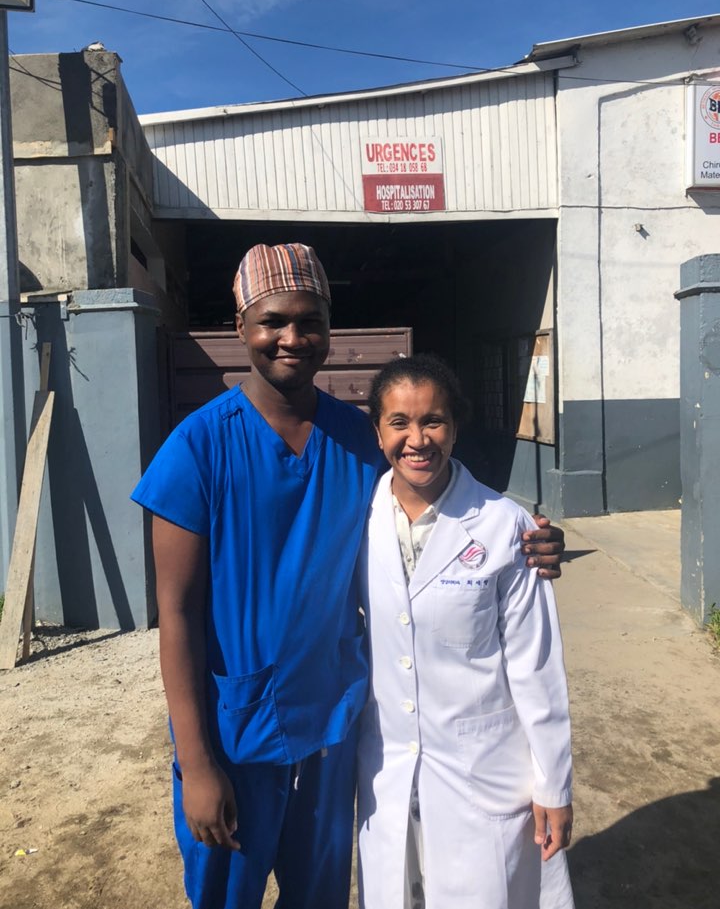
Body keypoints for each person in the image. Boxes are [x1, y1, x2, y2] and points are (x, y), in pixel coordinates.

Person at [131, 243, 566, 909]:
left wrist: (522, 534)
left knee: (321, 895)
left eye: (310, 321)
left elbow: (430, 499)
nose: (292, 337)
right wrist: (196, 762)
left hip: (333, 732)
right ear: (241, 327)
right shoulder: (198, 447)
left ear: (329, 330)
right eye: (273, 320)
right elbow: (178, 613)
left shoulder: (356, 440)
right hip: (234, 737)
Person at [356, 354, 574, 909]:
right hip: (387, 767)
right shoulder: (358, 518)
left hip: (484, 771)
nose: (417, 440)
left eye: (433, 421)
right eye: (399, 423)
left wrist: (554, 784)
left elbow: (536, 664)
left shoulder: (506, 525)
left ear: (454, 428)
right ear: (377, 431)